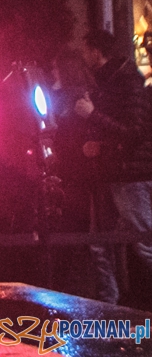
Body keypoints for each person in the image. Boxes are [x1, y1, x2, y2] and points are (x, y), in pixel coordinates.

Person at [77, 27, 152, 306]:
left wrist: (93, 115)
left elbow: (134, 132)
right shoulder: (111, 81)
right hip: (112, 172)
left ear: (96, 52)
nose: (83, 57)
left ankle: (112, 302)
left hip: (129, 174)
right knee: (101, 242)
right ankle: (109, 304)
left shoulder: (125, 81)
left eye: (86, 51)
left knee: (144, 242)